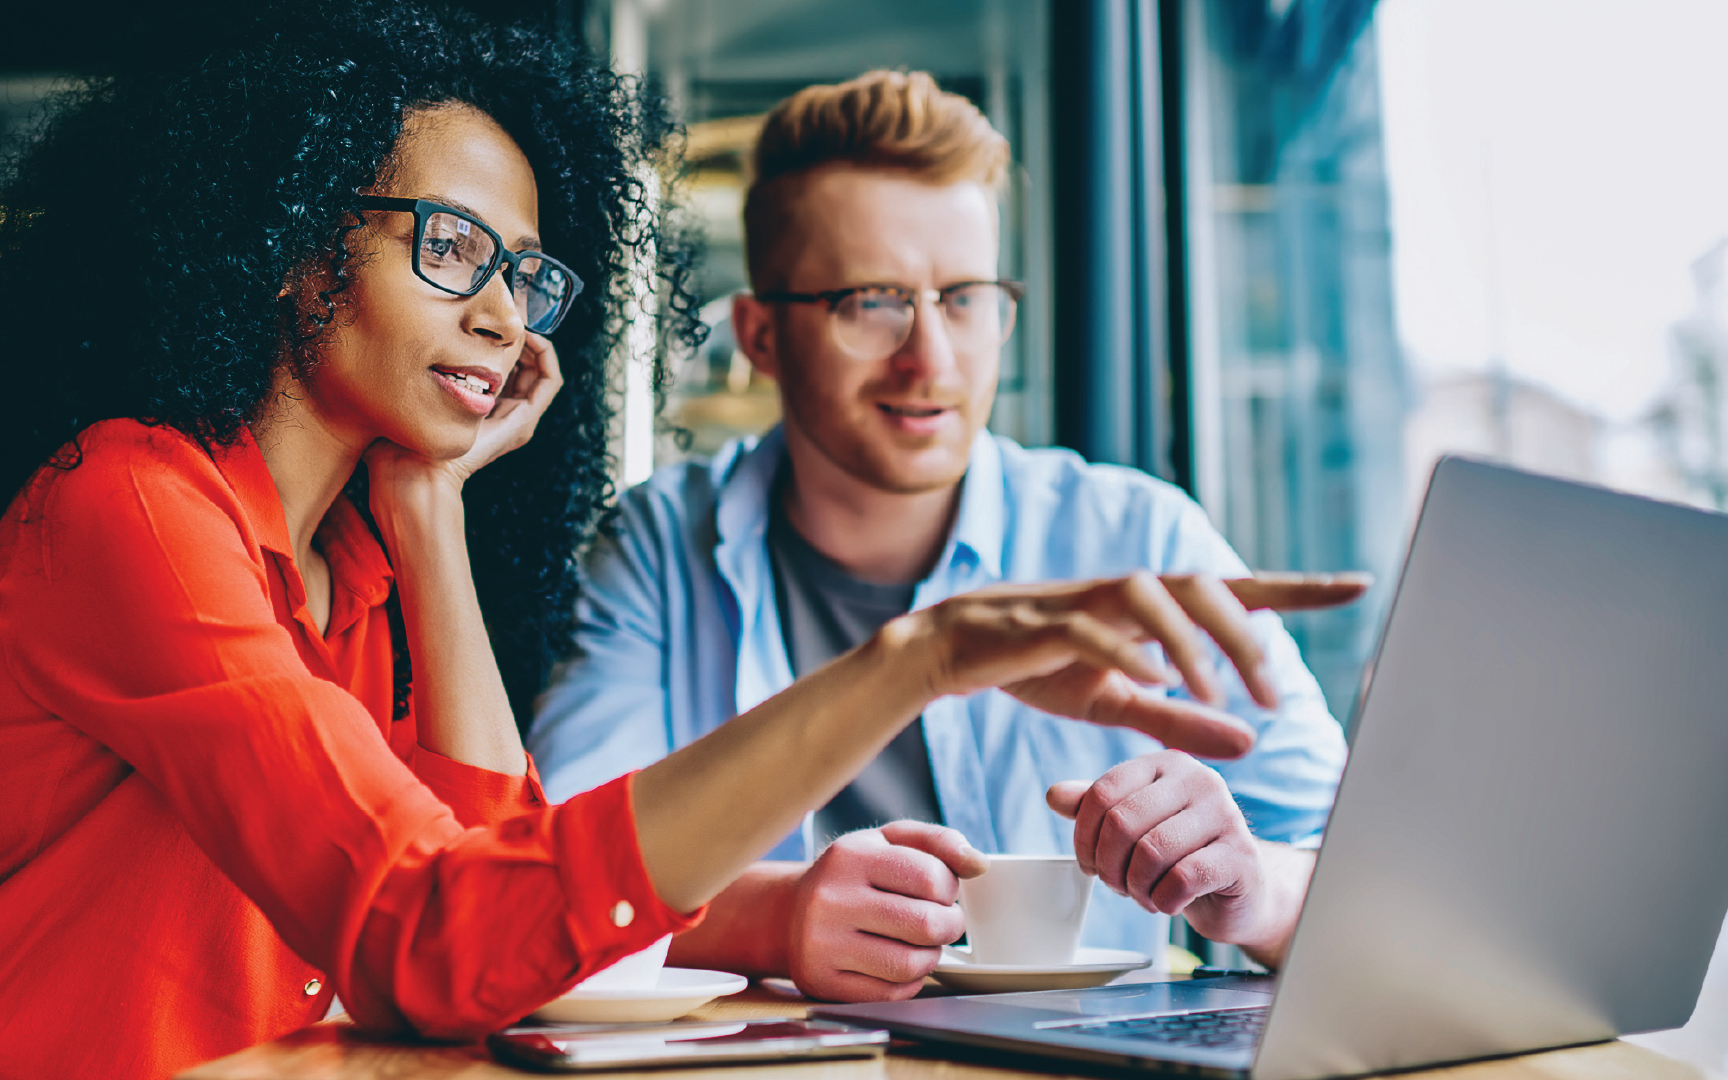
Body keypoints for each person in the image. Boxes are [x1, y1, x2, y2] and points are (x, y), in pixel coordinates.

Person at [0, 11, 1330, 1080]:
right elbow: (448, 936)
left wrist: (431, 509)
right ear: (290, 243)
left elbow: (494, 892)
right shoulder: (129, 504)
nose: (506, 320)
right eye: (453, 249)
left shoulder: (355, 562)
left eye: (525, 275)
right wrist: (913, 661)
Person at [528, 70, 1361, 1003]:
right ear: (760, 336)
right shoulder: (658, 546)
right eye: (871, 303)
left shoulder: (1138, 535)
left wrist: (1252, 889)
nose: (932, 358)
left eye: (964, 298)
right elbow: (550, 878)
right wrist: (778, 916)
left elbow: (1369, 876)